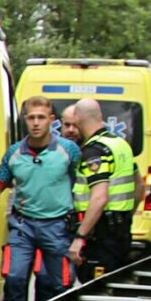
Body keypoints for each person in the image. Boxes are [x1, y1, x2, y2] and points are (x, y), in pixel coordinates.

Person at [0, 96, 82, 301]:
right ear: (25, 119)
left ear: (52, 120)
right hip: (23, 226)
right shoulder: (14, 153)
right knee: (14, 278)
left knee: (59, 283)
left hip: (58, 225)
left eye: (41, 117)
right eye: (31, 117)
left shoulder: (69, 150)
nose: (35, 123)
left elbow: (83, 182)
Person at [62, 97, 138, 278]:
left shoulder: (94, 151)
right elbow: (139, 185)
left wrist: (80, 237)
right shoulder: (120, 144)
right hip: (121, 229)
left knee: (94, 288)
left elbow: (99, 197)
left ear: (78, 118)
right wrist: (125, 212)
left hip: (101, 233)